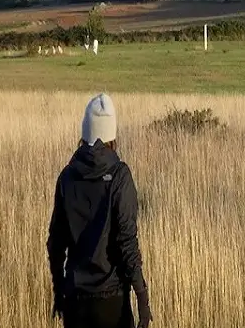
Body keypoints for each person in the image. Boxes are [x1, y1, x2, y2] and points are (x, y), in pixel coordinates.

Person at [47, 94, 153, 328]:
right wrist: (142, 297)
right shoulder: (120, 176)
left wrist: (59, 289)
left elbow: (55, 243)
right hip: (112, 300)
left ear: (84, 132)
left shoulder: (67, 176)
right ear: (112, 134)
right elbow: (127, 242)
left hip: (75, 299)